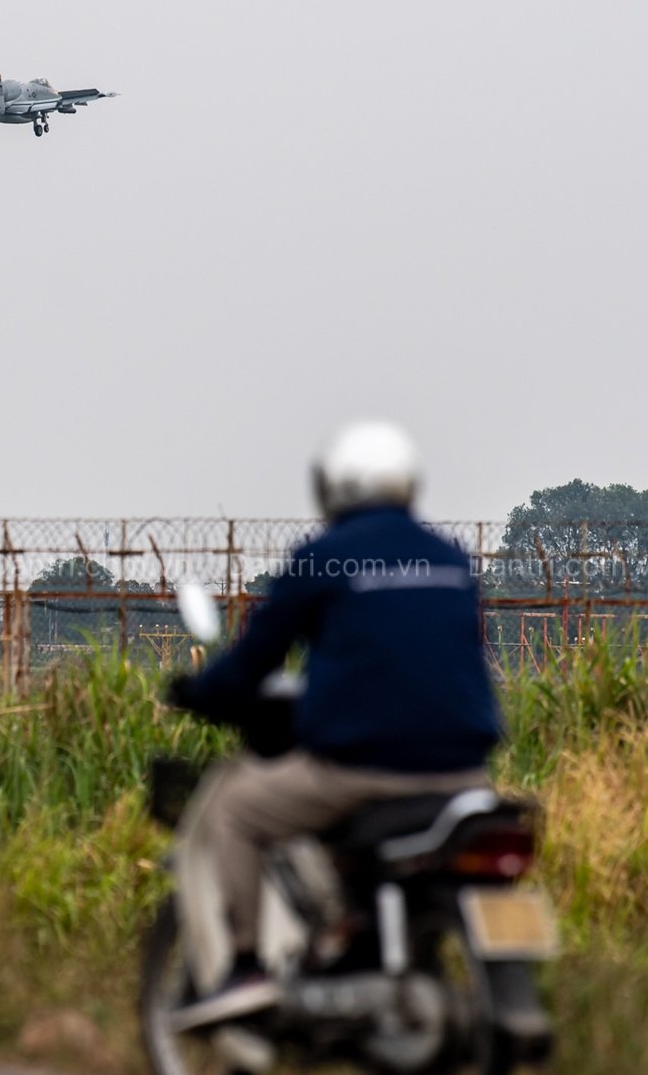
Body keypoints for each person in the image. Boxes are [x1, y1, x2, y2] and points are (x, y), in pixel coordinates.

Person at [165, 420, 502, 1028]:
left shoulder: (325, 558)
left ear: (333, 488)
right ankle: (355, 935)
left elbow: (256, 657)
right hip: (465, 772)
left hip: (364, 769)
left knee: (236, 809)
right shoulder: (450, 558)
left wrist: (201, 691)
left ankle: (244, 967)